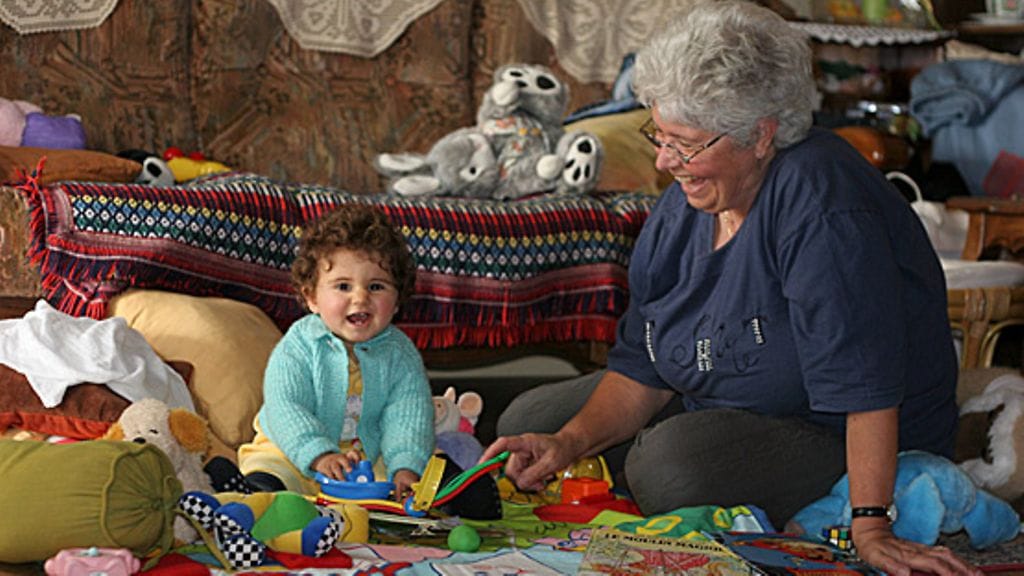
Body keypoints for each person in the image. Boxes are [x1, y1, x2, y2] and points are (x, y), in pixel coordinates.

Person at [481, 2, 981, 575]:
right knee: (533, 419)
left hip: (839, 428)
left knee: (670, 470)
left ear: (761, 135)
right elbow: (645, 367)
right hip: (723, 393)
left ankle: (693, 465)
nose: (667, 161)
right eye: (660, 135)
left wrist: (869, 522)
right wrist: (568, 443)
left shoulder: (821, 205)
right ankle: (649, 453)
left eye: (686, 144)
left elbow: (866, 388)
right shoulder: (685, 205)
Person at [239, 203, 433, 500]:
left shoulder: (400, 355)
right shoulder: (299, 345)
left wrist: (405, 468)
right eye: (343, 286)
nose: (361, 298)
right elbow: (286, 406)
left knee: (399, 481)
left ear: (397, 302)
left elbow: (408, 417)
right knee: (273, 471)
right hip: (294, 450)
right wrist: (319, 455)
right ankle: (258, 494)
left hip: (365, 459)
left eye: (377, 287)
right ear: (312, 297)